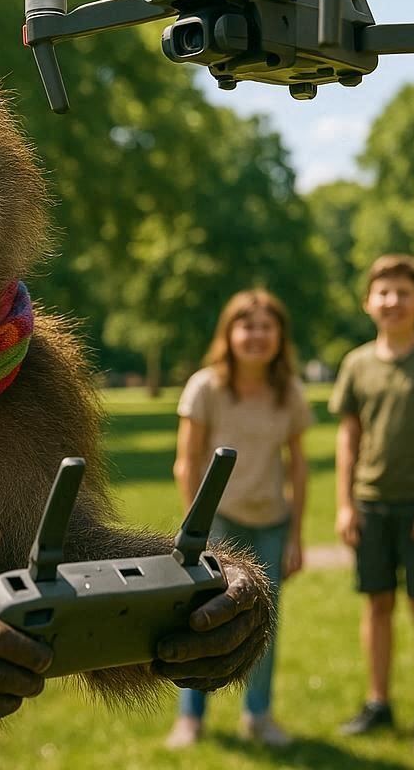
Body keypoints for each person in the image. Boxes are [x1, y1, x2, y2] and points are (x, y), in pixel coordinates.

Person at [330, 254, 414, 756]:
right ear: (368, 303)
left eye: (403, 293)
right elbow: (348, 438)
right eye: (383, 293)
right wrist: (345, 504)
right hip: (371, 505)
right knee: (378, 605)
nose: (393, 301)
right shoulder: (356, 364)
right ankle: (378, 703)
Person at [164, 288, 311, 750]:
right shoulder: (205, 386)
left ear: (279, 336)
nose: (256, 335)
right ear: (229, 333)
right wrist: (197, 529)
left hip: (272, 523)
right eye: (247, 326)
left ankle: (258, 716)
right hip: (218, 524)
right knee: (199, 617)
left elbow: (299, 466)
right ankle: (191, 718)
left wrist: (296, 534)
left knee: (264, 624)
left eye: (267, 327)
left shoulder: (289, 391)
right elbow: (186, 462)